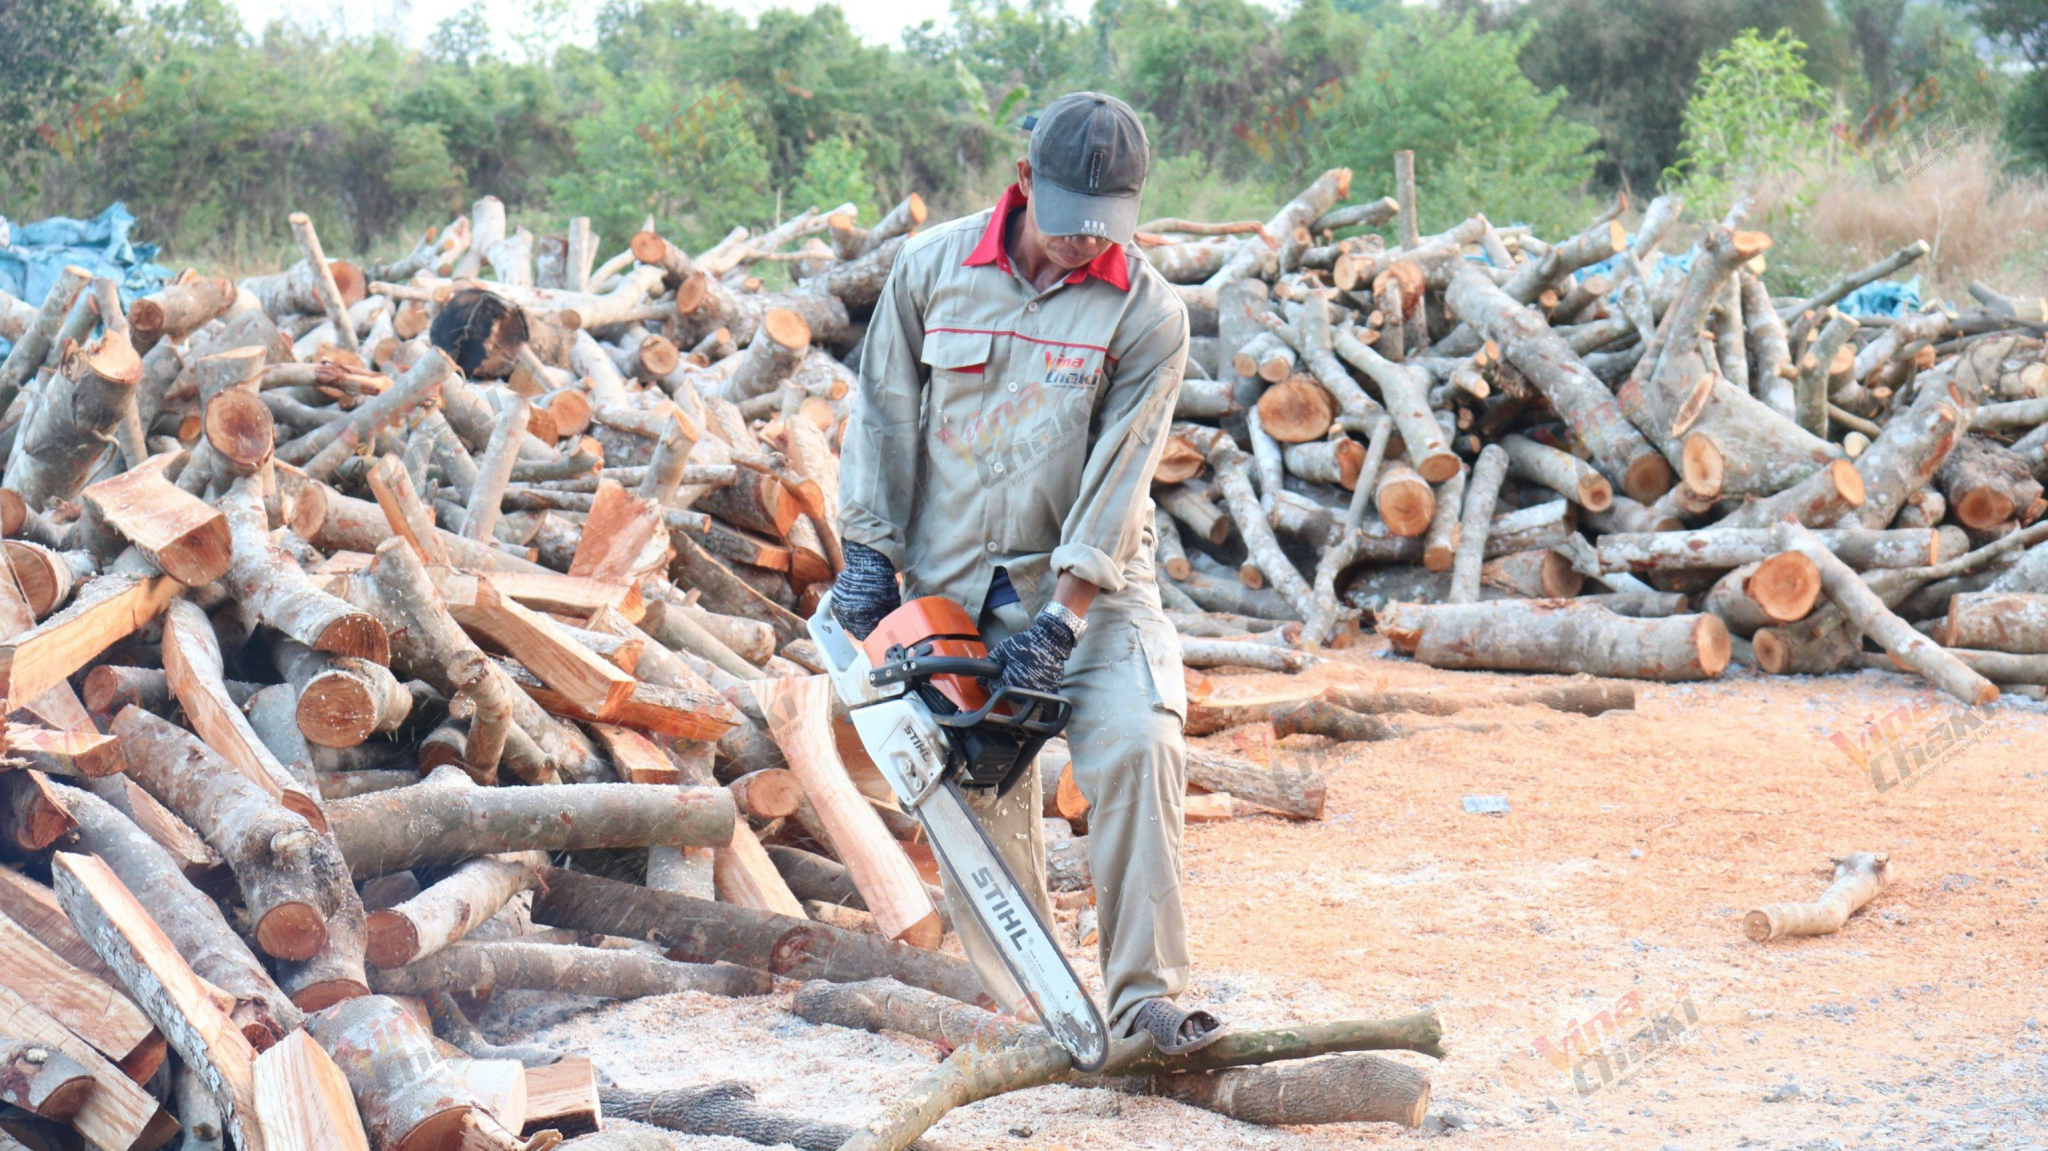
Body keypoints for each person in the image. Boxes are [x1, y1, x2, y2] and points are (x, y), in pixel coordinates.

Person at [833, 91, 1222, 1053]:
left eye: (1103, 227)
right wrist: (869, 556)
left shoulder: (1150, 313)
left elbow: (1122, 474)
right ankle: (1039, 1011)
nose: (1083, 244)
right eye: (1067, 222)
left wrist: (1062, 619)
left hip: (1092, 586)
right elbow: (882, 416)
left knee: (1139, 741)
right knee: (968, 792)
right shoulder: (932, 269)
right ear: (1022, 183)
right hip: (952, 586)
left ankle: (1145, 1003)